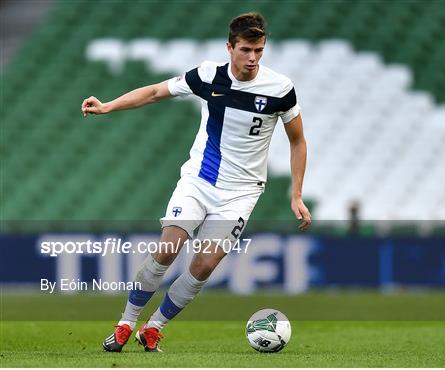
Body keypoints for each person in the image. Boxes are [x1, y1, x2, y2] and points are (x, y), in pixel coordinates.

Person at [81, 12, 311, 352]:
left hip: (242, 192)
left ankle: (154, 327)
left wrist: (296, 194)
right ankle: (126, 322)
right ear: (230, 47)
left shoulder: (280, 88)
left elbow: (298, 141)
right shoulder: (207, 75)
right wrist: (109, 107)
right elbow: (157, 91)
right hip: (199, 179)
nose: (253, 58)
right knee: (168, 248)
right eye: (246, 49)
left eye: (259, 50)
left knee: (204, 264)